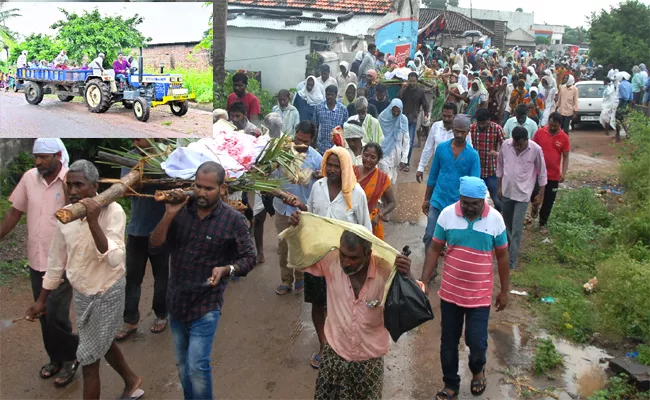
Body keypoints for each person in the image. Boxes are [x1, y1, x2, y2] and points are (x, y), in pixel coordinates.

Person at [26, 160, 144, 400]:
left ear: (95, 186)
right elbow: (56, 262)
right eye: (69, 185)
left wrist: (92, 220)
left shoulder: (113, 212)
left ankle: (131, 381)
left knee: (89, 359)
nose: (73, 191)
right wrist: (41, 301)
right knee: (102, 342)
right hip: (82, 295)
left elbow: (116, 259)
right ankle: (132, 380)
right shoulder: (66, 217)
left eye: (79, 185)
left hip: (106, 292)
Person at [149, 161, 256, 400]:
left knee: (197, 367)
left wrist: (227, 269)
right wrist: (168, 215)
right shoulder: (180, 211)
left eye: (208, 188)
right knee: (182, 366)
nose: (201, 193)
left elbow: (249, 257)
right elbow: (154, 246)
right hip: (176, 302)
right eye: (197, 186)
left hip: (206, 305)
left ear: (223, 189)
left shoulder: (233, 220)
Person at [290, 230, 413, 399]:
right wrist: (297, 230)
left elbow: (416, 299)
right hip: (334, 355)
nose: (346, 262)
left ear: (368, 254)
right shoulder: (331, 261)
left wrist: (408, 276)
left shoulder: (386, 270)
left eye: (353, 258)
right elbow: (299, 261)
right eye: (343, 255)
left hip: (369, 362)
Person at [420, 176, 510, 400]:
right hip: (450, 294)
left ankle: (478, 370)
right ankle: (450, 384)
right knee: (448, 341)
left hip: (479, 296)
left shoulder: (496, 220)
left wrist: (505, 290)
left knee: (476, 341)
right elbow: (434, 249)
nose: (469, 208)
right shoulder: (447, 215)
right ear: (459, 198)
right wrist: (423, 282)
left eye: (475, 204)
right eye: (465, 202)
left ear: (484, 201)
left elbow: (502, 256)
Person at [1, 139, 79, 387]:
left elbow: (79, 213)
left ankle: (70, 359)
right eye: (36, 157)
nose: (38, 162)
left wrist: (70, 194)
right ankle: (55, 358)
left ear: (57, 155)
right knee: (43, 312)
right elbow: (15, 212)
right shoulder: (29, 178)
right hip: (36, 259)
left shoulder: (72, 180)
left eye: (44, 157)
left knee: (56, 313)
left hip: (63, 261)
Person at [287, 147, 372, 370]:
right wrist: (299, 213)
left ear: (345, 166)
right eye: (330, 164)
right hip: (318, 257)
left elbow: (366, 232)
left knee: (343, 305)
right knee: (317, 302)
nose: (333, 169)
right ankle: (324, 344)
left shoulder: (356, 193)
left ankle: (342, 345)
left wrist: (365, 267)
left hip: (346, 263)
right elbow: (312, 216)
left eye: (337, 165)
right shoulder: (318, 187)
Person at [115, 139, 169, 341]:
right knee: (133, 277)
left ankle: (162, 314)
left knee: (161, 275)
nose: (136, 140)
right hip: (137, 228)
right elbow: (125, 190)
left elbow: (177, 184)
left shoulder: (167, 154)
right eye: (134, 137)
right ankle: (130, 320)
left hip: (162, 227)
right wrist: (138, 177)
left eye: (141, 136)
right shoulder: (129, 157)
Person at [274, 122, 323, 295]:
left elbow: (322, 186)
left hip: (304, 210)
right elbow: (270, 183)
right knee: (284, 247)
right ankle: (286, 280)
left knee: (302, 246)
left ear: (312, 141)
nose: (300, 144)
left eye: (305, 142)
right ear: (294, 135)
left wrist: (319, 176)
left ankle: (300, 278)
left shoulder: (317, 159)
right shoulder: (281, 154)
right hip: (282, 208)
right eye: (298, 139)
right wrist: (281, 195)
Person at [422, 114, 481, 259]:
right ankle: (430, 271)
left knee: (455, 241)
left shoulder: (473, 156)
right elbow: (433, 175)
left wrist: (472, 209)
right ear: (453, 130)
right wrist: (426, 199)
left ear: (468, 132)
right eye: (457, 131)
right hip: (438, 199)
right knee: (430, 235)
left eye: (463, 132)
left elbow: (474, 185)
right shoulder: (441, 149)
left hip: (458, 204)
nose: (459, 135)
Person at [497, 126, 547, 269]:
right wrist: (499, 187)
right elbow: (500, 166)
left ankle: (511, 262)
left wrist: (540, 194)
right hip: (507, 192)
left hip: (523, 195)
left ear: (527, 140)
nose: (517, 147)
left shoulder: (535, 150)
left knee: (517, 228)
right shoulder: (506, 146)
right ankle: (507, 253)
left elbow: (542, 173)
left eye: (520, 144)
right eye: (515, 144)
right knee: (507, 226)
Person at [530, 113, 570, 235]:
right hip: (536, 172)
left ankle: (542, 223)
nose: (552, 127)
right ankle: (535, 205)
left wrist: (563, 172)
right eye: (551, 124)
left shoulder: (564, 137)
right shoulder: (540, 133)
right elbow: (531, 149)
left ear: (560, 125)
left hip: (553, 175)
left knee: (549, 200)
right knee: (534, 194)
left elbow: (566, 156)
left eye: (555, 126)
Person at [416, 103, 473, 183]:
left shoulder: (462, 131)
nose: (446, 119)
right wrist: (421, 167)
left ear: (455, 116)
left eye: (449, 116)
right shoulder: (436, 126)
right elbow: (428, 148)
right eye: (444, 116)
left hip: (457, 171)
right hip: (438, 168)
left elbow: (469, 151)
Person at [353, 143, 397, 239]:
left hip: (370, 221)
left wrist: (380, 215)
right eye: (366, 155)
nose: (368, 159)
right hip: (350, 218)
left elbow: (392, 203)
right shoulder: (352, 171)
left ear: (378, 160)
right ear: (362, 155)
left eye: (373, 157)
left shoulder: (382, 179)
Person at [470, 108, 506, 211]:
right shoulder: (471, 129)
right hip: (476, 170)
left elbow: (508, 149)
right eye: (479, 123)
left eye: (484, 123)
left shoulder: (497, 129)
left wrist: (497, 154)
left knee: (497, 200)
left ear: (489, 120)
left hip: (492, 171)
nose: (481, 126)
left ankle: (501, 221)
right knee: (473, 199)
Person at [399, 72, 429, 171]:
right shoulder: (404, 91)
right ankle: (401, 161)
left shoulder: (420, 92)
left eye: (413, 81)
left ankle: (407, 162)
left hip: (413, 119)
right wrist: (402, 90)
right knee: (401, 140)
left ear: (416, 81)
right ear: (407, 81)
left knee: (410, 141)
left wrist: (426, 113)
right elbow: (397, 100)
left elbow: (425, 104)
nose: (412, 83)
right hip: (402, 119)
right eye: (410, 81)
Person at [378, 99, 410, 184]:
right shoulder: (382, 117)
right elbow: (377, 135)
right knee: (384, 178)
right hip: (382, 152)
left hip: (396, 154)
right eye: (393, 111)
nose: (395, 114)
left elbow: (406, 140)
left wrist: (404, 158)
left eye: (398, 112)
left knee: (392, 179)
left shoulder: (403, 120)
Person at [312, 85, 349, 153]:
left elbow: (345, 129)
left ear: (336, 95)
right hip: (321, 146)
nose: (329, 97)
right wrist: (314, 144)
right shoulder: (318, 108)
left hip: (337, 147)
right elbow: (315, 126)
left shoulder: (343, 109)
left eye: (332, 95)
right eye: (328, 94)